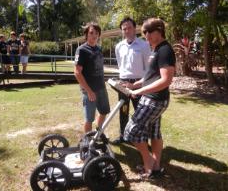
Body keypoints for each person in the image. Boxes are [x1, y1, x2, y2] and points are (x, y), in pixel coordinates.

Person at [123, 18, 176, 179]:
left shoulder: (165, 50)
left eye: (147, 32)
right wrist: (133, 85)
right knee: (154, 133)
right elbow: (150, 76)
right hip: (151, 98)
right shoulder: (155, 49)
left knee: (131, 131)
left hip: (155, 100)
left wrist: (140, 91)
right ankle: (156, 166)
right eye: (144, 33)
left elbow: (165, 80)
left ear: (158, 31)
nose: (145, 36)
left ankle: (150, 165)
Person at [112, 17, 151, 145]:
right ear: (122, 31)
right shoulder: (118, 46)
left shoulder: (144, 45)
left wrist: (139, 83)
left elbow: (148, 67)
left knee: (140, 111)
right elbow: (120, 65)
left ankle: (142, 138)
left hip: (138, 83)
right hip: (123, 83)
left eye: (129, 28)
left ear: (135, 29)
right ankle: (123, 136)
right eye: (124, 29)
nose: (127, 30)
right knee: (123, 110)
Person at [74, 22, 110, 133]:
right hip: (89, 90)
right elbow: (77, 73)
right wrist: (89, 91)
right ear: (86, 34)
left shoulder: (99, 49)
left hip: (101, 87)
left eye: (97, 33)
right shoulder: (81, 50)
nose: (94, 35)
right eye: (91, 33)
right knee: (89, 119)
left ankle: (98, 134)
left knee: (104, 111)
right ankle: (88, 142)